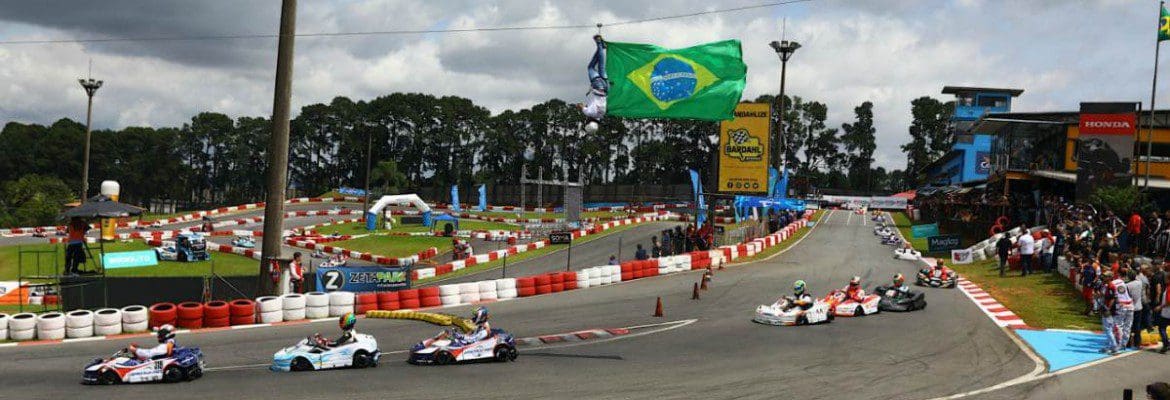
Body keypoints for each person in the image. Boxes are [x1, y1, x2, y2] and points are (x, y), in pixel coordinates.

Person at [579, 35, 607, 134]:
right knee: (590, 68)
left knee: (601, 66)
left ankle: (600, 47)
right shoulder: (588, 112)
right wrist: (582, 107)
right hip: (598, 86)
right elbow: (580, 105)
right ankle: (599, 43)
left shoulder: (601, 115)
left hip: (605, 88)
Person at [1096, 270, 1121, 354]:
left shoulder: (1111, 286)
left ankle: (1114, 347)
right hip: (1106, 309)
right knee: (1107, 329)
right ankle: (1109, 346)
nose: (1104, 277)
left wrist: (1108, 309)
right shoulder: (1107, 285)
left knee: (1108, 329)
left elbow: (1112, 298)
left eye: (1106, 276)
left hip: (1109, 311)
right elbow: (1106, 296)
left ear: (1110, 277)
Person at [1126, 268, 1146, 349]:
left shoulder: (1127, 285)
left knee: (1128, 326)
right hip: (1139, 307)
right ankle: (1137, 343)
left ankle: (1128, 342)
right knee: (1137, 326)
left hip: (1130, 307)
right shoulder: (1139, 283)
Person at [1158, 271, 1170, 353]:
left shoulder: (1169, 288)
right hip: (1167, 312)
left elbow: (1169, 301)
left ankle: (1166, 344)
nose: (1164, 280)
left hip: (1167, 312)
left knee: (1162, 328)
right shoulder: (1167, 287)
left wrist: (1160, 307)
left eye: (1166, 278)